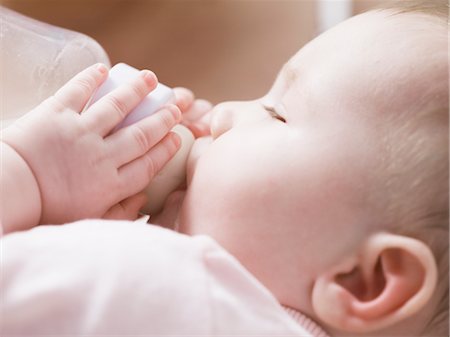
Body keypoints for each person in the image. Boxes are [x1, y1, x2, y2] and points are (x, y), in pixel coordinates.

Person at [0, 1, 448, 336]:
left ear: (364, 281)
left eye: (277, 112)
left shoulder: (173, 285)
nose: (223, 112)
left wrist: (33, 175)